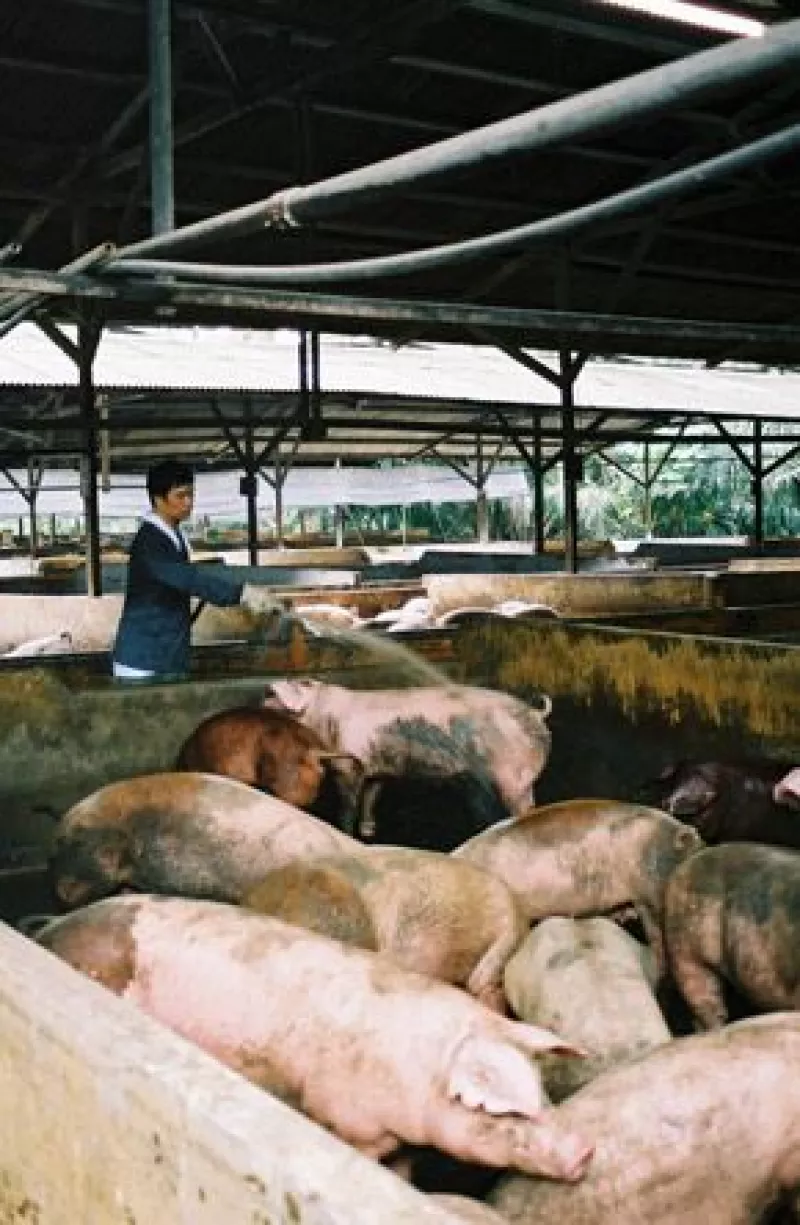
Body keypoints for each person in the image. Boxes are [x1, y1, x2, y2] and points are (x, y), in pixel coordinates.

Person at [111, 460, 281, 682]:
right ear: (158, 499)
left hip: (166, 652)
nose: (188, 502)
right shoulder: (151, 542)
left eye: (191, 494)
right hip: (144, 658)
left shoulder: (173, 536)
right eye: (180, 496)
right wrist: (241, 594)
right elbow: (187, 578)